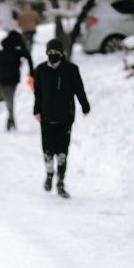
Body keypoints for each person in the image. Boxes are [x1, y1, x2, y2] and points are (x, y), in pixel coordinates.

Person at [33, 38, 90, 199]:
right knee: (48, 150)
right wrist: (36, 110)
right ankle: (50, 173)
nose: (52, 55)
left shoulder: (71, 69)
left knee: (63, 151)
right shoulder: (41, 70)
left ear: (61, 53)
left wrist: (85, 105)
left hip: (65, 117)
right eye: (49, 52)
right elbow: (37, 93)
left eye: (55, 52)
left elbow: (79, 89)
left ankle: (61, 182)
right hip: (46, 117)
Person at [0, 30, 34, 131]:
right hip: (13, 78)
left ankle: (10, 119)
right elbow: (28, 57)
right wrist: (32, 72)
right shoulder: (18, 51)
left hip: (1, 77)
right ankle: (11, 119)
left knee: (8, 98)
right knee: (10, 98)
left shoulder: (1, 51)